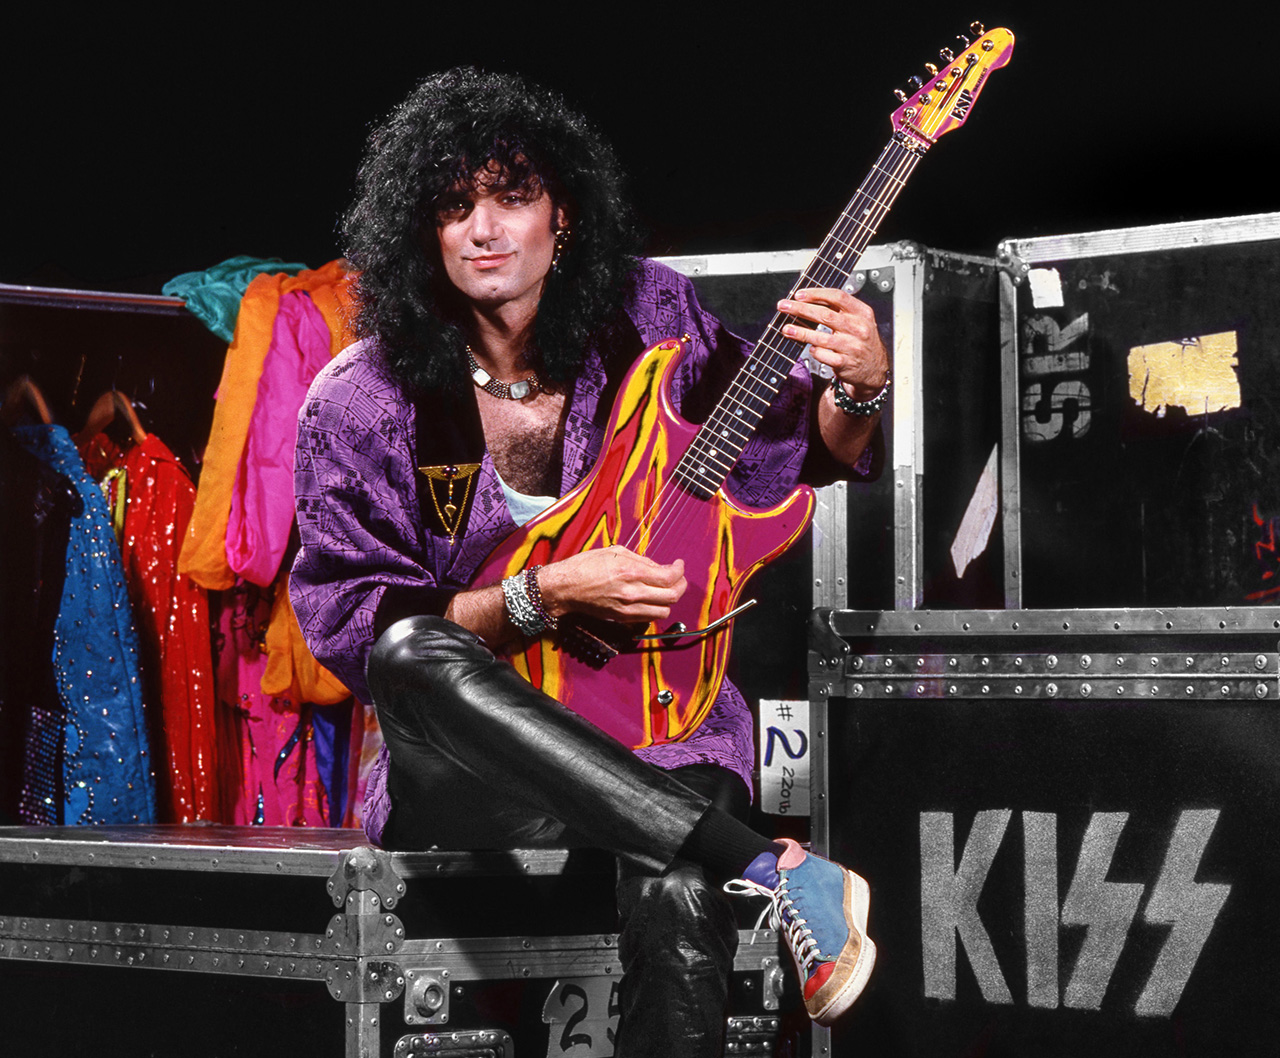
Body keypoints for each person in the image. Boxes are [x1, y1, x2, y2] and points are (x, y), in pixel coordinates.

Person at [291, 67, 890, 1054]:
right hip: (476, 761)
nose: (482, 229)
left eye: (510, 197)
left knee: (676, 877)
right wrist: (536, 595)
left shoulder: (652, 318)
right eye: (453, 206)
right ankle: (774, 865)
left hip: (663, 726)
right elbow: (349, 617)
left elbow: (784, 443)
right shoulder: (359, 398)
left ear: (561, 215)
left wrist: (859, 390)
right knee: (408, 650)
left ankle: (731, 860)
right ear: (423, 232)